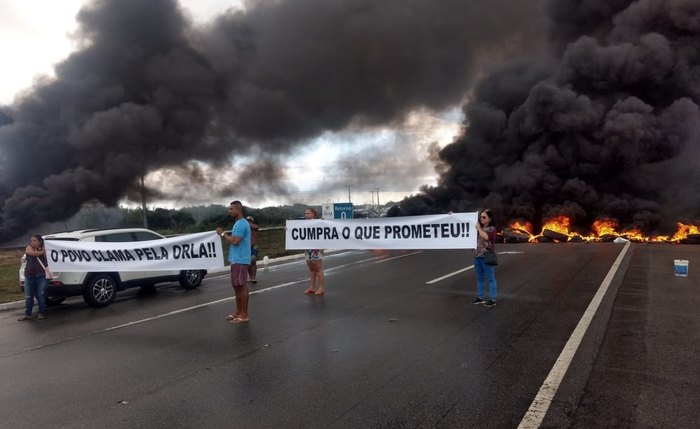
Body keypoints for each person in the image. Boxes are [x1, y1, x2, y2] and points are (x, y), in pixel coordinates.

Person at [216, 201, 252, 324]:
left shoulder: (242, 224)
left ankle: (244, 314)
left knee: (241, 286)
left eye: (231, 209)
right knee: (236, 286)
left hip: (241, 259)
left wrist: (222, 233)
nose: (229, 211)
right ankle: (238, 312)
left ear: (238, 209)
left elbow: (235, 241)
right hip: (235, 259)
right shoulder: (237, 223)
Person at [19, 235, 48, 321]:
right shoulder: (29, 248)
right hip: (29, 276)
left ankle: (41, 313)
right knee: (28, 296)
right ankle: (28, 314)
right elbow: (32, 253)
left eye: (34, 240)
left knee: (41, 295)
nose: (32, 242)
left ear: (39, 241)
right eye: (31, 240)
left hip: (41, 276)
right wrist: (43, 252)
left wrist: (45, 252)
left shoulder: (45, 248)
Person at [472, 209, 498, 308]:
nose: (481, 218)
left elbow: (486, 237)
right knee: (480, 278)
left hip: (487, 256)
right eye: (481, 217)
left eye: (484, 217)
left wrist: (479, 229)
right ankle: (480, 297)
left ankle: (492, 299)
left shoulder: (492, 229)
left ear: (489, 219)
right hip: (477, 256)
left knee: (490, 278)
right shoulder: (478, 226)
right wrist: (451, 216)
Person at [302, 207, 325, 295]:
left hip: (316, 248)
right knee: (311, 269)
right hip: (308, 248)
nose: (306, 215)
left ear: (313, 214)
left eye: (308, 213)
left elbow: (324, 233)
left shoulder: (318, 222)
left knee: (318, 268)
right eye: (305, 213)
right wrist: (287, 229)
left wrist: (322, 247)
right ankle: (311, 287)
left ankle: (321, 288)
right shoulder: (303, 224)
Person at [246, 216, 260, 283]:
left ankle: (253, 277)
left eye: (249, 220)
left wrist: (248, 224)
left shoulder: (254, 227)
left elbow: (256, 227)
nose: (248, 221)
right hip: (246, 247)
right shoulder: (245, 227)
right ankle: (250, 276)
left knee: (253, 261)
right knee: (248, 263)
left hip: (253, 246)